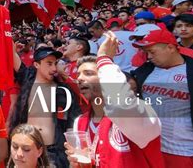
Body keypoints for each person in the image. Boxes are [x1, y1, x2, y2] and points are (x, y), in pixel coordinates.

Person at [65, 35, 164, 167]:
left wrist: (105, 60)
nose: (80, 79)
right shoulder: (80, 122)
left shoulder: (144, 113)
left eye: (89, 73)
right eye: (78, 75)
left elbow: (121, 106)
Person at [131, 29, 193, 167]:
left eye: (152, 51)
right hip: (149, 147)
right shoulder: (144, 71)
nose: (148, 56)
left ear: (170, 47)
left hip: (186, 151)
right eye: (146, 53)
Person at [11, 46, 80, 167]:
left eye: (55, 63)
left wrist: (72, 155)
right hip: (27, 151)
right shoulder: (28, 80)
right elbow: (10, 51)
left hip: (53, 153)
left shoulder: (63, 90)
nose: (54, 68)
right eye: (49, 63)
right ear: (37, 65)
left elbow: (71, 124)